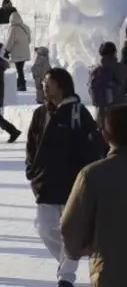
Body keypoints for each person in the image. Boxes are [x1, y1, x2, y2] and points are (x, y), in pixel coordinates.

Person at [26, 68, 100, 287]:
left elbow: (92, 145)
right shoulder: (40, 113)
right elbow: (31, 144)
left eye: (48, 83)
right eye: (43, 84)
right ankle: (70, 258)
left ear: (62, 85)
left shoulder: (78, 112)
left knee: (69, 230)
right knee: (45, 227)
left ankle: (66, 275)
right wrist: (31, 170)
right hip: (45, 182)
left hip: (72, 183)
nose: (44, 86)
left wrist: (88, 175)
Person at [61, 104, 127, 287]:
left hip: (111, 270)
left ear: (106, 136)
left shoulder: (93, 174)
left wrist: (77, 251)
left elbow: (69, 225)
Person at [89, 42, 127, 148]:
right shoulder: (122, 69)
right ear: (115, 53)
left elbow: (93, 96)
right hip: (121, 113)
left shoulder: (95, 71)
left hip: (102, 114)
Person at [3, 11, 32, 91]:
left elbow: (10, 41)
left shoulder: (13, 28)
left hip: (17, 53)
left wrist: (6, 50)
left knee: (19, 69)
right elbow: (29, 40)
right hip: (25, 52)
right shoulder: (26, 27)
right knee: (20, 68)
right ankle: (20, 83)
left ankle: (21, 84)